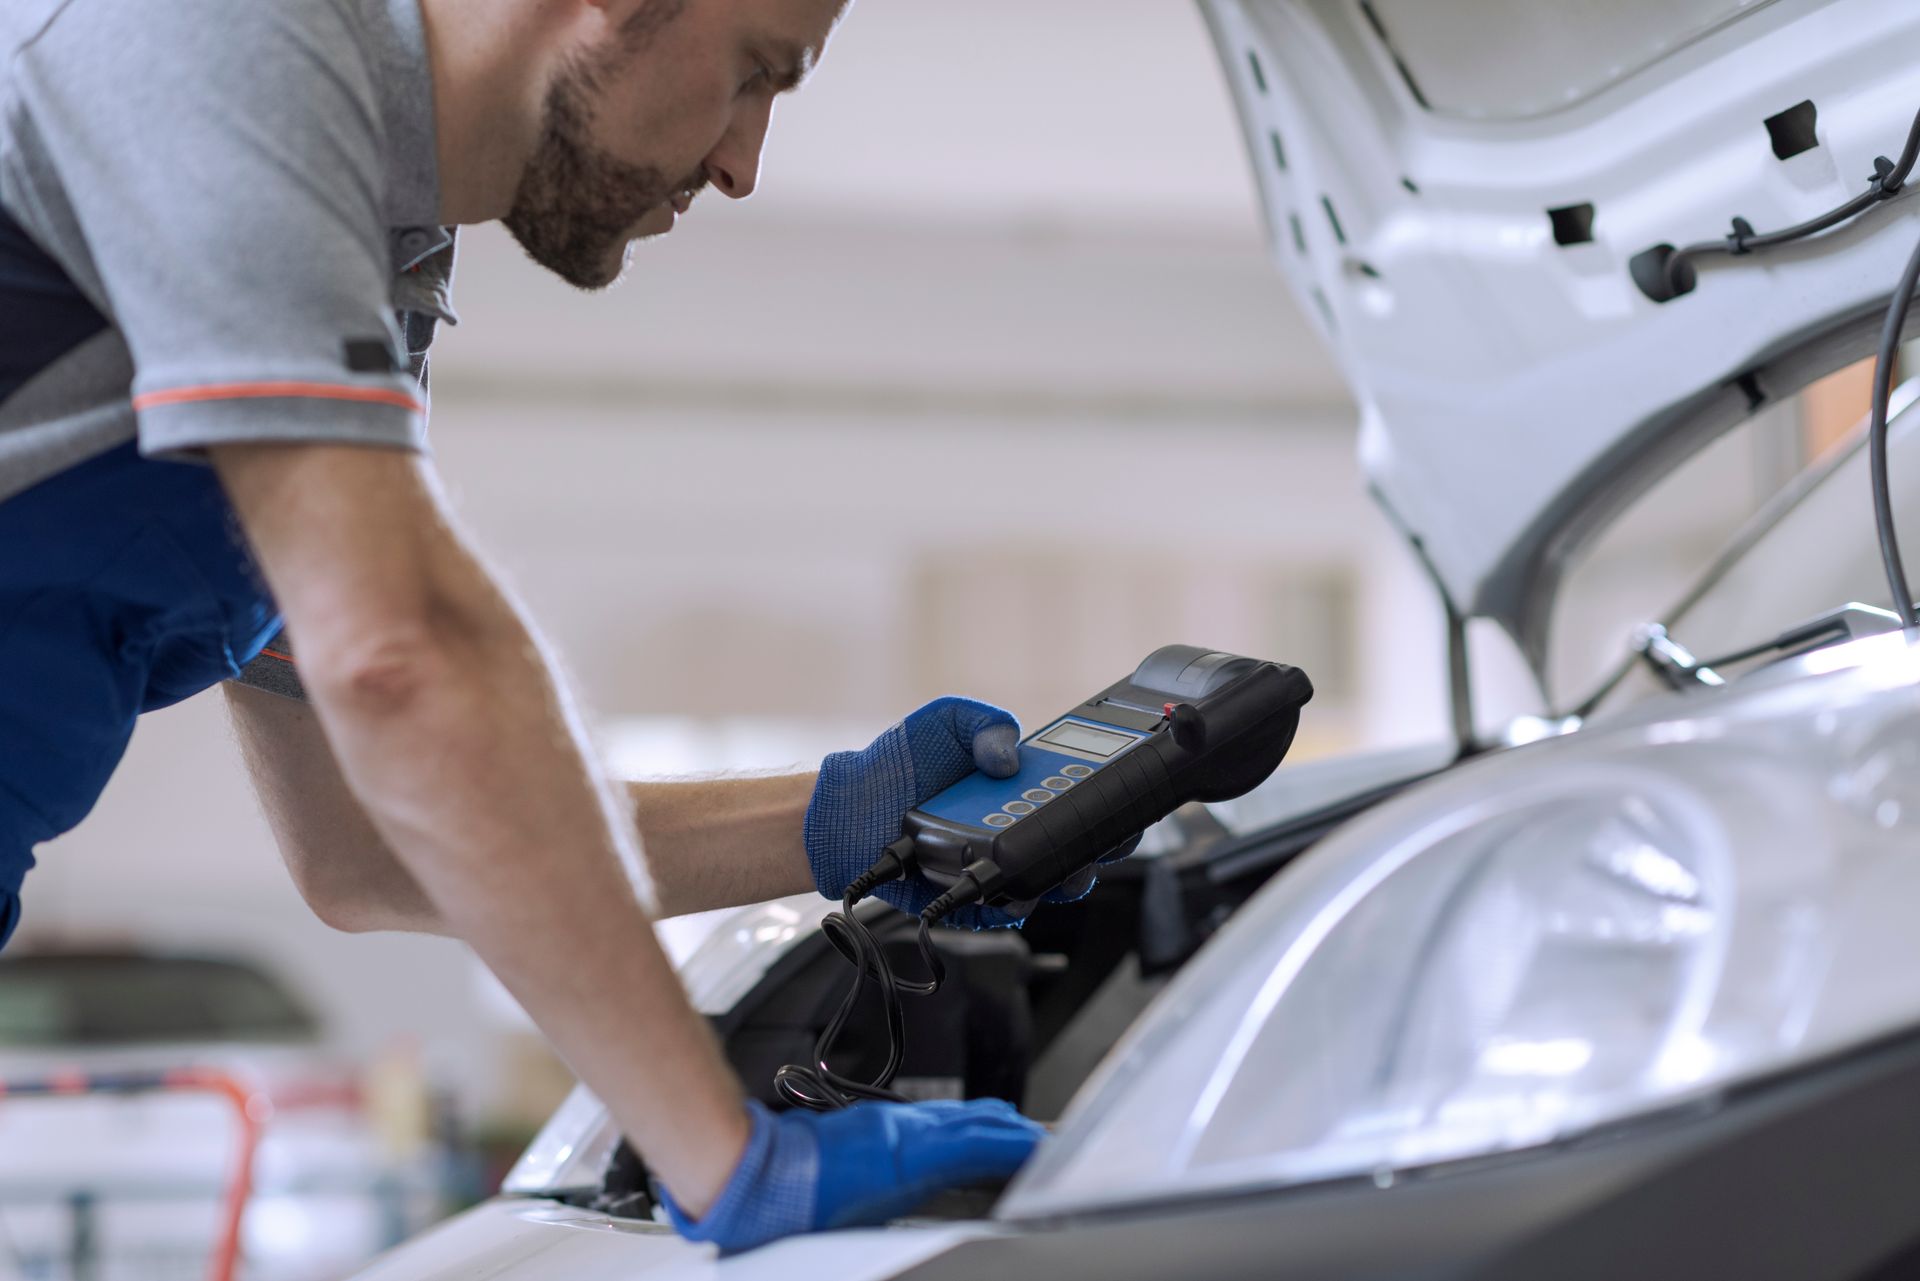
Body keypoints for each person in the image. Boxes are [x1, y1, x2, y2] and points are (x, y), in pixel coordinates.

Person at [0, 0, 1112, 1252]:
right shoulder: (214, 35)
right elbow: (405, 657)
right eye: (757, 72)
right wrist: (726, 1153)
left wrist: (846, 818)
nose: (744, 163)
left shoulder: (377, 250)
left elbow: (370, 845)